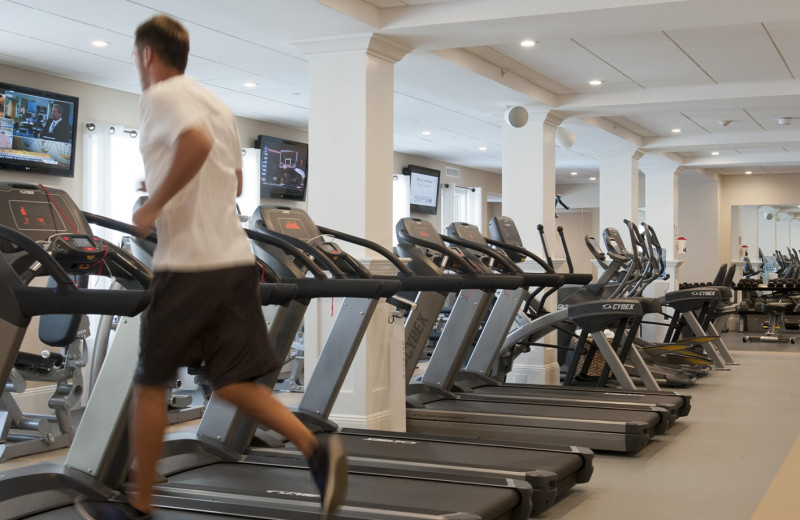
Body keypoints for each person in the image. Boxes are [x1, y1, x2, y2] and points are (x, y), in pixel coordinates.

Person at [74, 15, 347, 520]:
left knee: (150, 382)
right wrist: (164, 186)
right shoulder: (217, 103)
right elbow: (237, 182)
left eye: (136, 57)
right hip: (234, 262)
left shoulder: (161, 95)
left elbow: (193, 146)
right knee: (230, 382)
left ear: (147, 55)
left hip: (189, 265)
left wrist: (150, 207)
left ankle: (141, 506)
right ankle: (315, 448)